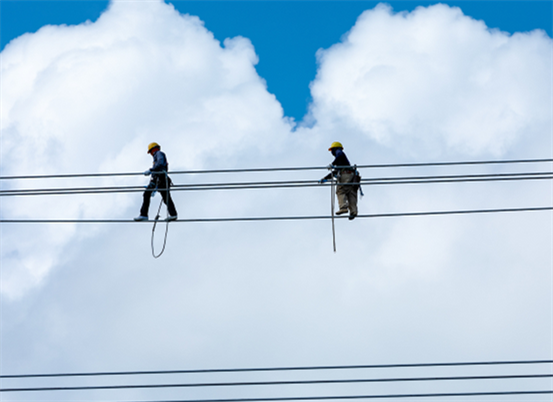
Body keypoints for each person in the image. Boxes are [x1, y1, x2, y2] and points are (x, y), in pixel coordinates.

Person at [134, 142, 178, 221]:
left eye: (150, 152)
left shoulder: (158, 154)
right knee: (166, 198)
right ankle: (173, 214)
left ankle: (144, 215)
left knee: (147, 194)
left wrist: (151, 170)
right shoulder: (159, 155)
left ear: (153, 150)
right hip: (162, 180)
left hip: (159, 179)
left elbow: (160, 163)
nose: (150, 154)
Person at [320, 141, 358, 220]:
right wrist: (325, 178)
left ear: (335, 149)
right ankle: (353, 211)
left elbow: (339, 155)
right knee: (351, 193)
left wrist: (333, 164)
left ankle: (343, 207)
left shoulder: (339, 153)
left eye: (332, 150)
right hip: (352, 176)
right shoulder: (342, 161)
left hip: (345, 175)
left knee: (340, 191)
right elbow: (335, 172)